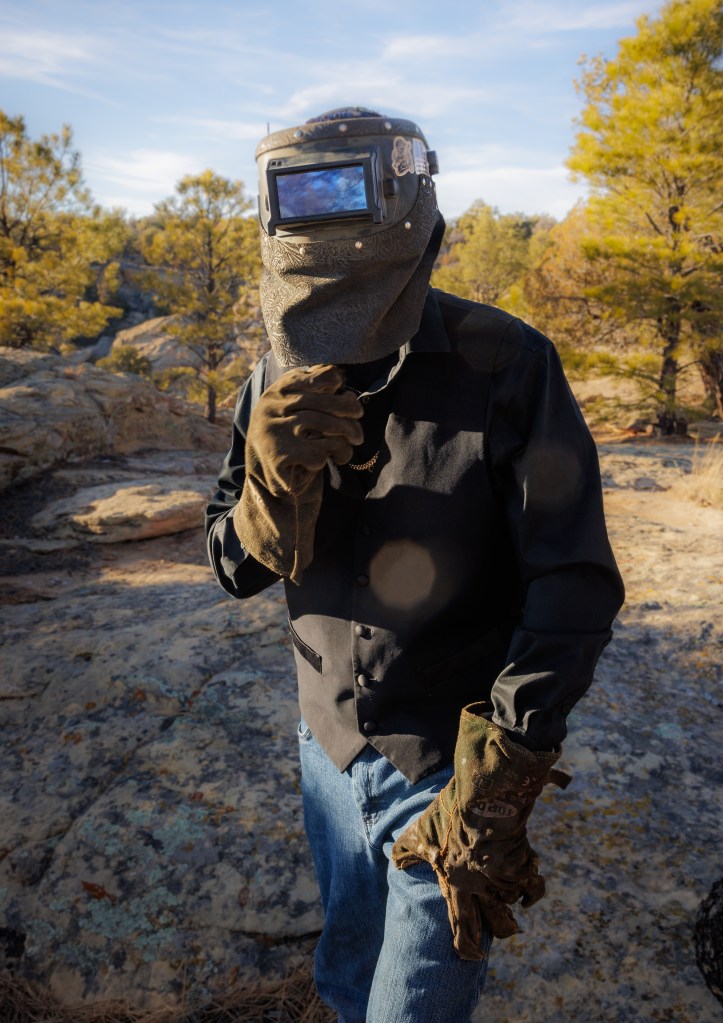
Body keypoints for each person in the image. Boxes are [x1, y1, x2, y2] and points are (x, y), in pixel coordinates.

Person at [205, 106, 624, 1023]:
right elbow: (230, 567)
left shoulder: (506, 364)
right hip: (325, 750)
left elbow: (573, 580)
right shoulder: (269, 381)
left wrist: (503, 767)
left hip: (446, 765)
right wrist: (264, 497)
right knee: (344, 978)